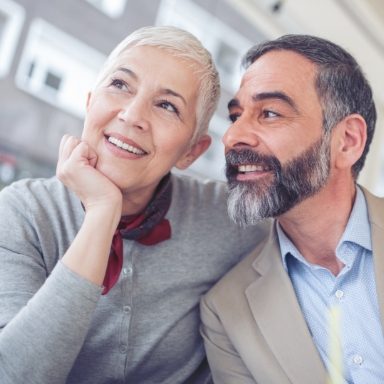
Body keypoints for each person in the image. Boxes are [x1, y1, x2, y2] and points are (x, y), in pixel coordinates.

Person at [0, 26, 271, 384]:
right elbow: (16, 375)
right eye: (120, 85)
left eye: (166, 105)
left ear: (191, 151)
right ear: (89, 102)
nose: (131, 115)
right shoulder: (22, 212)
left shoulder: (228, 219)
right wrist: (101, 213)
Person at [200, 34, 384, 384]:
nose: (232, 136)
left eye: (269, 113)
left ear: (346, 142)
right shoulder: (225, 314)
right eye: (236, 115)